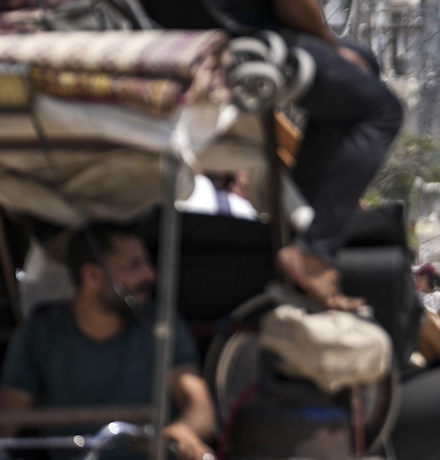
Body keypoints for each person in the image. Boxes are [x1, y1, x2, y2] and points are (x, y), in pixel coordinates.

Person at [0, 223, 217, 460]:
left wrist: (185, 429)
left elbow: (199, 404)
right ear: (93, 276)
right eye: (134, 266)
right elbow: (3, 424)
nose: (149, 276)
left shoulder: (158, 328)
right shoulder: (42, 334)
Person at [142, 0, 405, 311]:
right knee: (381, 110)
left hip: (171, 28)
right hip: (235, 38)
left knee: (361, 66)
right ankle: (314, 254)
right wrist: (330, 45)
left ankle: (300, 235)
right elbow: (293, 6)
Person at [415, 262, 440, 330]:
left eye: (418, 279)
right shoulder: (417, 295)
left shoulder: (438, 297)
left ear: (424, 279)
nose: (416, 281)